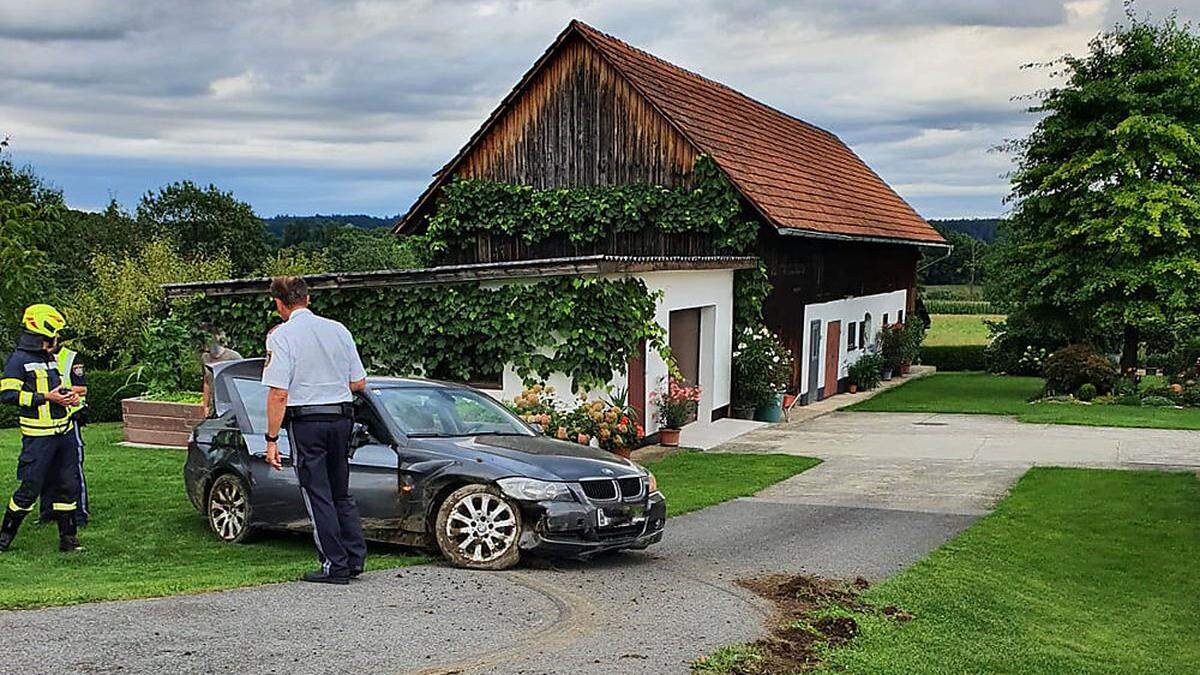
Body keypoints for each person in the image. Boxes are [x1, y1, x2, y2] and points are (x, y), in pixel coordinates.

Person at [261, 277, 368, 584]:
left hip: (307, 421)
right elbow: (358, 383)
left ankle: (334, 565)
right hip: (341, 417)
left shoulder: (282, 336)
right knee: (340, 492)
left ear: (280, 304)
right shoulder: (338, 330)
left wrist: (271, 439)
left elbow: (278, 393)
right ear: (307, 299)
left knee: (316, 492)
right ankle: (353, 558)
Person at [0, 305, 84, 553]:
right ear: (42, 335)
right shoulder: (19, 360)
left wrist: (69, 398)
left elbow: (56, 391)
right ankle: (4, 538)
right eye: (55, 334)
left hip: (64, 433)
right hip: (38, 438)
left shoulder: (50, 358)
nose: (58, 338)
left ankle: (68, 541)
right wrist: (45, 397)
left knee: (68, 486)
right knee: (29, 489)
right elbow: (7, 395)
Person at [38, 341, 89, 526]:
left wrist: (59, 393)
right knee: (44, 467)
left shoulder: (71, 357)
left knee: (72, 468)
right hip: (45, 421)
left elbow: (82, 388)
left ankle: (79, 514)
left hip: (69, 418)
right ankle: (48, 513)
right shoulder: (36, 356)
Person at [199, 323, 242, 417]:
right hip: (213, 407)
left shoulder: (233, 357)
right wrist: (205, 406)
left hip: (230, 407)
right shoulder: (205, 358)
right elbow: (206, 382)